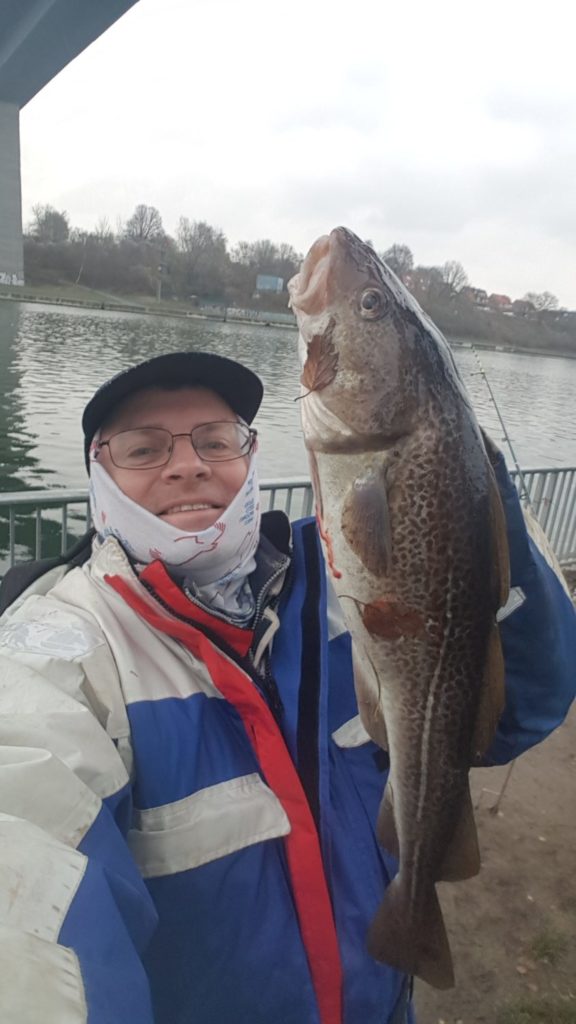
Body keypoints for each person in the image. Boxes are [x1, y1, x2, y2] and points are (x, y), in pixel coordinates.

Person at [0, 350, 574, 1024]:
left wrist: (471, 484)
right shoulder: (62, 649)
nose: (188, 464)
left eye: (215, 440)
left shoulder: (354, 582)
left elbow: (524, 706)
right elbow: (30, 857)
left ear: (251, 455)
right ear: (98, 473)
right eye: (142, 447)